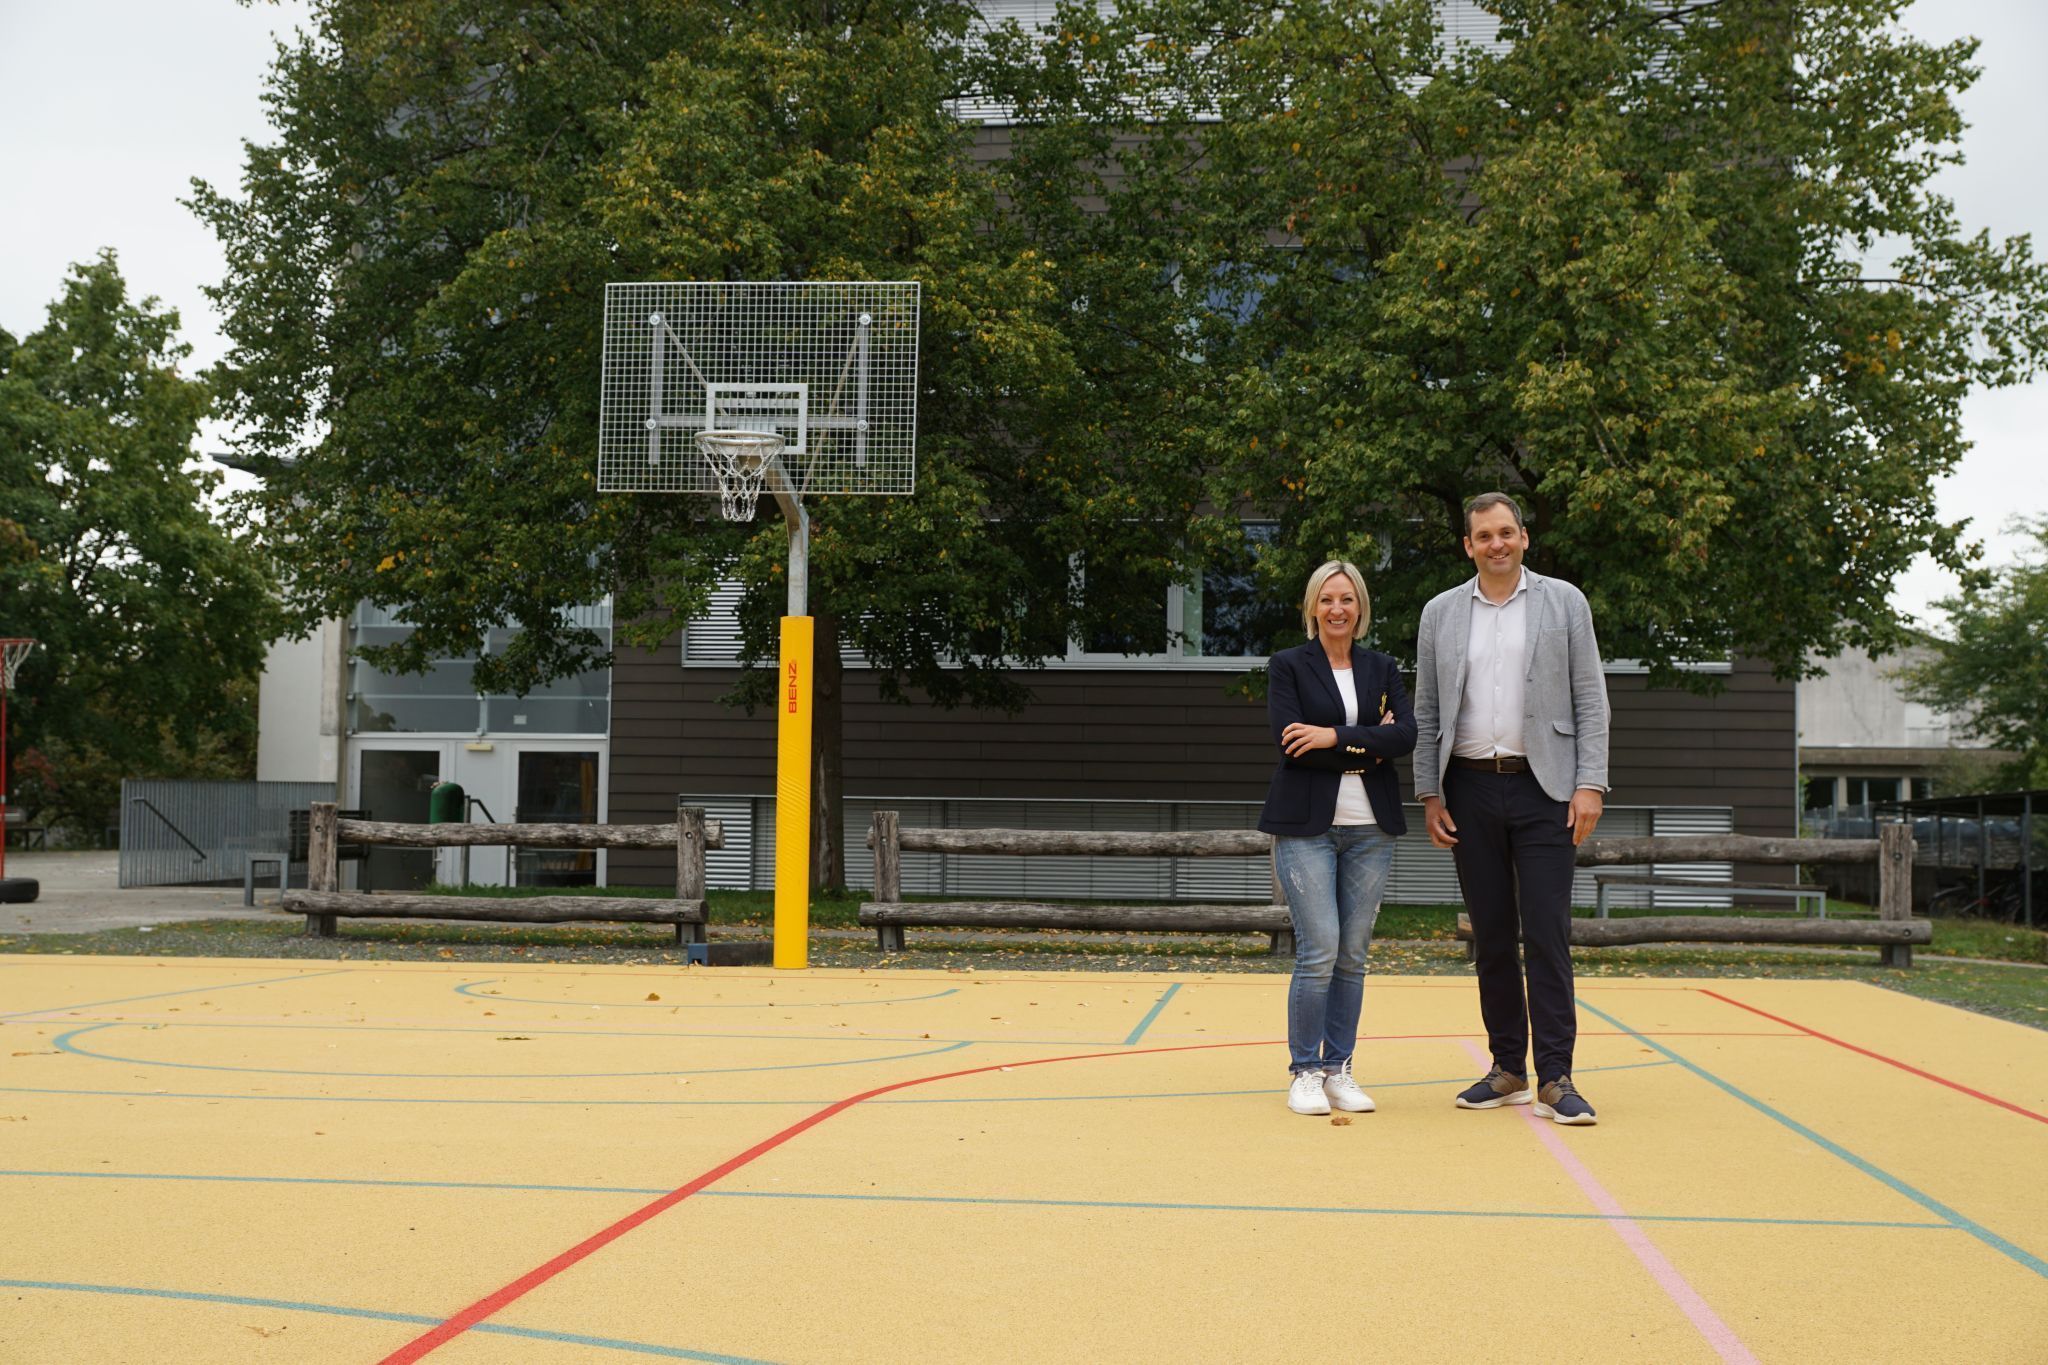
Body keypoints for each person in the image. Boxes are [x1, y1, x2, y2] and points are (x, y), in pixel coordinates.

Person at [1413, 492, 1611, 1126]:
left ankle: (1557, 1075)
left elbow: (1591, 699)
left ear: (1524, 539)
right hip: (1468, 789)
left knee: (1547, 935)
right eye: (1483, 535)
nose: (1496, 543)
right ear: (1467, 546)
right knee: (1492, 937)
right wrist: (1429, 792)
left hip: (1546, 788)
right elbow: (1425, 711)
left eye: (1506, 532)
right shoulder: (1440, 613)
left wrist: (1591, 784)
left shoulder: (1565, 602)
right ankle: (1507, 1069)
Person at [1258, 560, 1417, 1116]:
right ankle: (1303, 1071)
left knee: (1353, 954)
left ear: (1360, 607)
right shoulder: (1288, 666)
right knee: (1320, 948)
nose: (1337, 609)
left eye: (1347, 599)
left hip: (1372, 828)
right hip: (1308, 828)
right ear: (1312, 607)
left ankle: (1338, 1069)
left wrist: (1332, 736)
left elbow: (1405, 735)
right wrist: (1366, 744)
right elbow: (1289, 745)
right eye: (1327, 599)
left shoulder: (1383, 667)